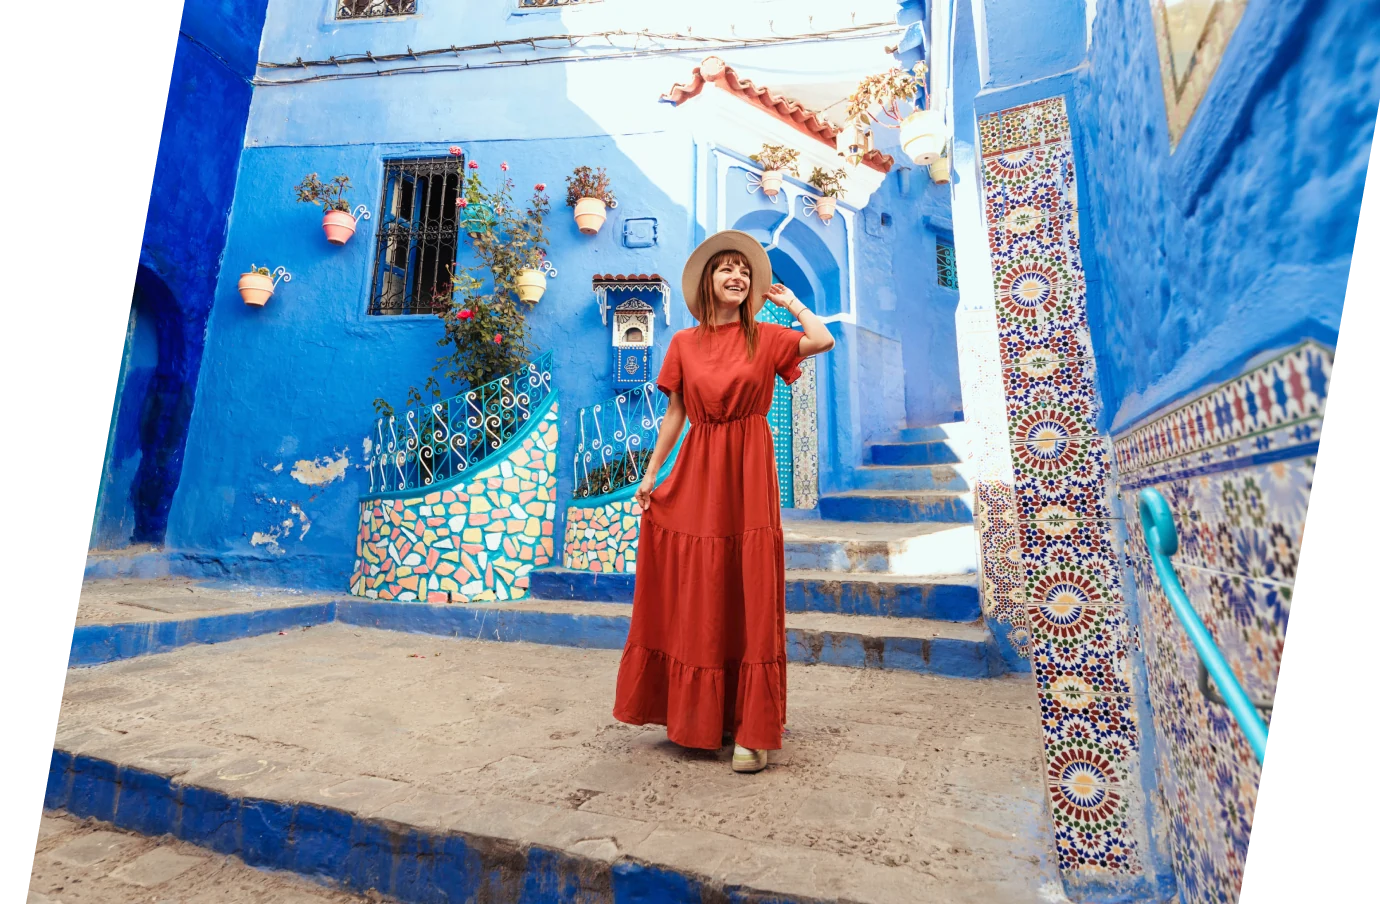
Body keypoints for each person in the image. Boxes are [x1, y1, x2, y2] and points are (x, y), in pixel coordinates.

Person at [611, 230, 837, 774]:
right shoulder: (684, 344)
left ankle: (752, 732)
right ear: (708, 282)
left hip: (749, 469)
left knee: (748, 585)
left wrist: (792, 303)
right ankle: (697, 717)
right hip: (697, 469)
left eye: (744, 270)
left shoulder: (767, 336)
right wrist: (649, 474)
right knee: (702, 582)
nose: (736, 277)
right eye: (725, 269)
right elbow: (676, 416)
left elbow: (823, 340)